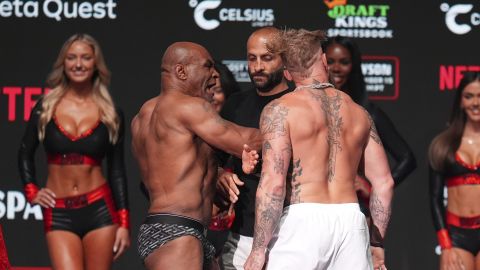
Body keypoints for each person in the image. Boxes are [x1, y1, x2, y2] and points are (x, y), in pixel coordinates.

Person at [243, 28, 394, 270]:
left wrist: (259, 249)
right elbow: (384, 183)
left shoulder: (280, 110)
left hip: (302, 222)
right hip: (350, 223)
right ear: (323, 59)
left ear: (287, 73)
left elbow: (274, 183)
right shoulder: (359, 112)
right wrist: (376, 243)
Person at [131, 41, 261, 270]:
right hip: (179, 232)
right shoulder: (188, 106)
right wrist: (293, 125)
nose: (214, 74)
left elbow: (175, 164)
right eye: (207, 67)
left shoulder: (143, 115)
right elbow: (245, 141)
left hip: (163, 227)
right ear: (181, 71)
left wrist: (217, 174)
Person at [17, 33, 130, 270]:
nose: (78, 64)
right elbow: (25, 152)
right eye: (72, 58)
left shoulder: (111, 113)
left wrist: (123, 223)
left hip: (100, 208)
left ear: (95, 64)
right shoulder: (45, 108)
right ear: (63, 63)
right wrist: (31, 191)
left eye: (86, 58)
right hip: (58, 211)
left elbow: (117, 170)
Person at [216, 26, 294, 270]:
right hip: (242, 234)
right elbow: (214, 159)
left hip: (291, 234)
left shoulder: (300, 103)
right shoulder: (235, 105)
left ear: (284, 59)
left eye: (267, 58)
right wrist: (220, 175)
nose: (258, 66)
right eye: (252, 58)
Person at [324, 36, 416, 214]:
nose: (336, 68)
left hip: (353, 209)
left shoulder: (366, 112)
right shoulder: (307, 106)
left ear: (353, 66)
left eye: (344, 62)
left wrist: (373, 190)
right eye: (330, 61)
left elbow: (407, 159)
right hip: (313, 206)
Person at [429, 71, 480, 270]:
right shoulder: (443, 145)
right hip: (457, 236)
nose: (475, 103)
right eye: (469, 96)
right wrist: (446, 245)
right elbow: (434, 199)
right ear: (460, 101)